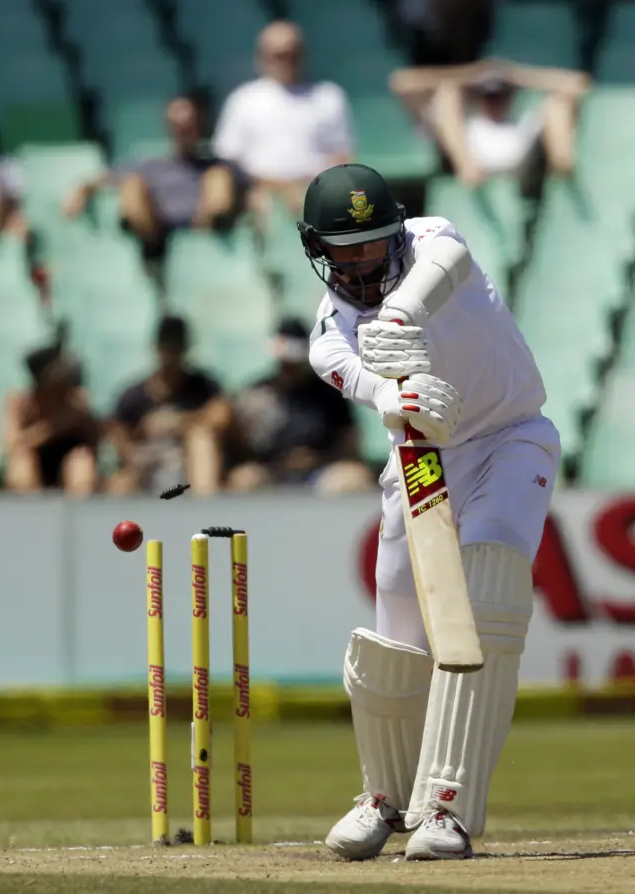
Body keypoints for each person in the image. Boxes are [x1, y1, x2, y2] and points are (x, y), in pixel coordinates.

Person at [300, 163, 560, 859]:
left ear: (395, 231)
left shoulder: (430, 239)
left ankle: (445, 806)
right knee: (398, 622)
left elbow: (450, 258)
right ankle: (384, 797)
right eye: (342, 249)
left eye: (371, 244)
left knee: (489, 593)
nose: (358, 262)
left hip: (511, 436)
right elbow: (326, 353)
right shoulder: (335, 315)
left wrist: (399, 315)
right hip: (419, 456)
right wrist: (380, 393)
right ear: (317, 247)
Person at [63, 92, 241, 256]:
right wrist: (82, 189)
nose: (184, 132)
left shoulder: (219, 165)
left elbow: (253, 184)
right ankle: (151, 256)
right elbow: (104, 178)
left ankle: (205, 249)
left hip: (205, 232)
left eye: (189, 126)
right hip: (158, 234)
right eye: (178, 127)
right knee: (131, 185)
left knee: (219, 178)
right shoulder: (151, 165)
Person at [213, 20, 353, 218]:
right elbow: (229, 161)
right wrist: (279, 187)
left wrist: (311, 188)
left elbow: (343, 156)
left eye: (293, 53)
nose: (286, 61)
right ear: (262, 57)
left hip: (318, 194)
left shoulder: (328, 96)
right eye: (278, 55)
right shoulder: (243, 99)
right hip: (259, 194)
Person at [390, 59, 591, 190]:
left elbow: (579, 84)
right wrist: (473, 74)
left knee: (557, 104)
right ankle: (466, 168)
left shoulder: (522, 121)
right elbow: (401, 82)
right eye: (489, 97)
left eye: (502, 96)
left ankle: (563, 165)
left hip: (525, 170)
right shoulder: (467, 124)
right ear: (478, 98)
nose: (495, 103)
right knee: (447, 95)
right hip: (475, 166)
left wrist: (514, 75)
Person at [227, 318, 373, 493]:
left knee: (354, 476)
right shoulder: (257, 395)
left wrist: (318, 458)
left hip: (321, 473)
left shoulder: (330, 394)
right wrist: (279, 461)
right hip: (272, 472)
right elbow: (242, 446)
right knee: (244, 478)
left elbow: (349, 441)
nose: (289, 367)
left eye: (294, 362)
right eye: (285, 362)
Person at [108, 316, 230, 495]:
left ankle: (204, 514)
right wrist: (137, 446)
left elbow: (222, 415)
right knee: (120, 483)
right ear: (157, 348)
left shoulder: (203, 387)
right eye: (167, 347)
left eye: (176, 347)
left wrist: (177, 423)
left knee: (201, 440)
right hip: (148, 466)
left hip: (187, 465)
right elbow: (118, 436)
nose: (171, 355)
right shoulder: (134, 395)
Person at [2, 345, 99, 494]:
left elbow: (95, 444)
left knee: (81, 462)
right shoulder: (21, 403)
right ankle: (30, 512)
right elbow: (12, 445)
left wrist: (82, 419)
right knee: (21, 465)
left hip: (69, 459)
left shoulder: (77, 403)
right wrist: (53, 427)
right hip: (35, 461)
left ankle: (80, 513)